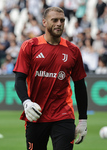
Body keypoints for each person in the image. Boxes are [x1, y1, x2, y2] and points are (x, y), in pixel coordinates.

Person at [13, 7, 88, 150]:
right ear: (44, 23)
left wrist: (83, 119)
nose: (59, 23)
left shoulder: (73, 50)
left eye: (62, 20)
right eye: (54, 20)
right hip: (36, 114)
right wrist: (26, 102)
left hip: (63, 114)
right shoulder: (30, 46)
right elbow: (19, 79)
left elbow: (80, 85)